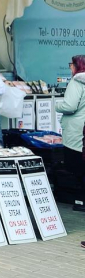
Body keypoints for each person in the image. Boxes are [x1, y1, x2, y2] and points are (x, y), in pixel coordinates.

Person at [55, 55, 85, 213]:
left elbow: (70, 106)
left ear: (77, 66)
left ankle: (81, 200)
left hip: (77, 129)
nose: (69, 68)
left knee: (77, 165)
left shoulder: (77, 81)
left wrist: (57, 105)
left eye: (71, 65)